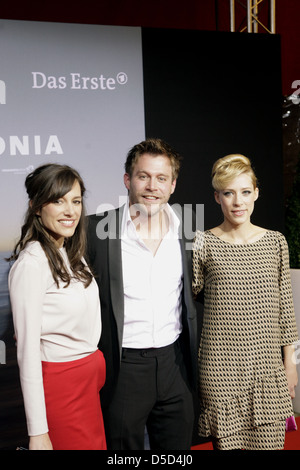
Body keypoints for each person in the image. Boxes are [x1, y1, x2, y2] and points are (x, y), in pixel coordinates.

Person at [87, 138, 198, 450]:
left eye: (162, 178)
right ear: (127, 179)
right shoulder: (94, 231)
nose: (152, 186)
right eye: (143, 176)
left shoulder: (189, 232)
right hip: (123, 368)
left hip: (175, 365)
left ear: (173, 184)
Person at [192, 154, 299, 450]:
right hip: (220, 369)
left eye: (245, 192)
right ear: (217, 197)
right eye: (228, 193)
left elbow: (285, 310)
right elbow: (192, 297)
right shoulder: (203, 243)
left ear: (256, 193)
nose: (238, 201)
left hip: (267, 369)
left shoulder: (276, 242)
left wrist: (290, 364)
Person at [8, 164, 106, 450]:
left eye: (75, 201)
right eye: (58, 200)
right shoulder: (31, 263)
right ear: (37, 207)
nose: (70, 211)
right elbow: (27, 353)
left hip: (88, 390)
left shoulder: (70, 253)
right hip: (63, 392)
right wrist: (38, 431)